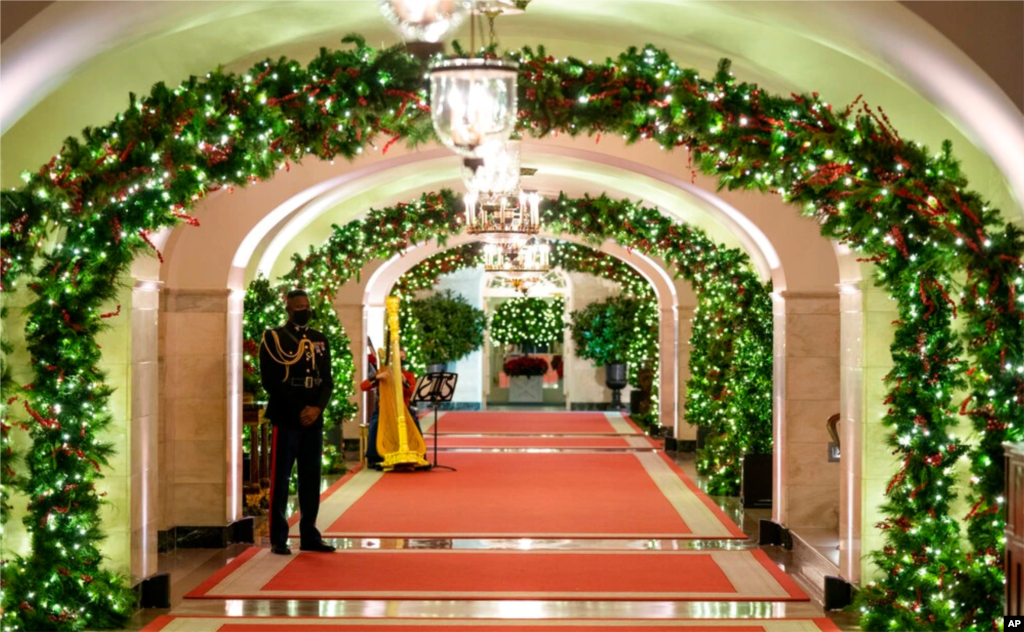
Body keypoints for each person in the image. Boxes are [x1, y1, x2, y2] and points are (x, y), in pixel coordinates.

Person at [259, 289, 336, 555]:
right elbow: (270, 382)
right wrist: (301, 408)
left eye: (307, 305)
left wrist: (316, 409)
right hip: (287, 415)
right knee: (281, 477)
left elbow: (327, 381)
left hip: (312, 418)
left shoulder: (319, 339)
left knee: (310, 477)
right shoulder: (274, 338)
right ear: (289, 310)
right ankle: (279, 537)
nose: (304, 309)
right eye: (299, 306)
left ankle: (309, 534)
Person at [360, 348, 421, 469]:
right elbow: (363, 386)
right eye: (398, 359)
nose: (400, 361)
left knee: (414, 423)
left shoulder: (408, 375)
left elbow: (413, 393)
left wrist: (404, 382)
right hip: (383, 410)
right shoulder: (382, 372)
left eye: (402, 359)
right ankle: (374, 458)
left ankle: (420, 454)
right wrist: (377, 377)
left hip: (404, 409)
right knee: (375, 424)